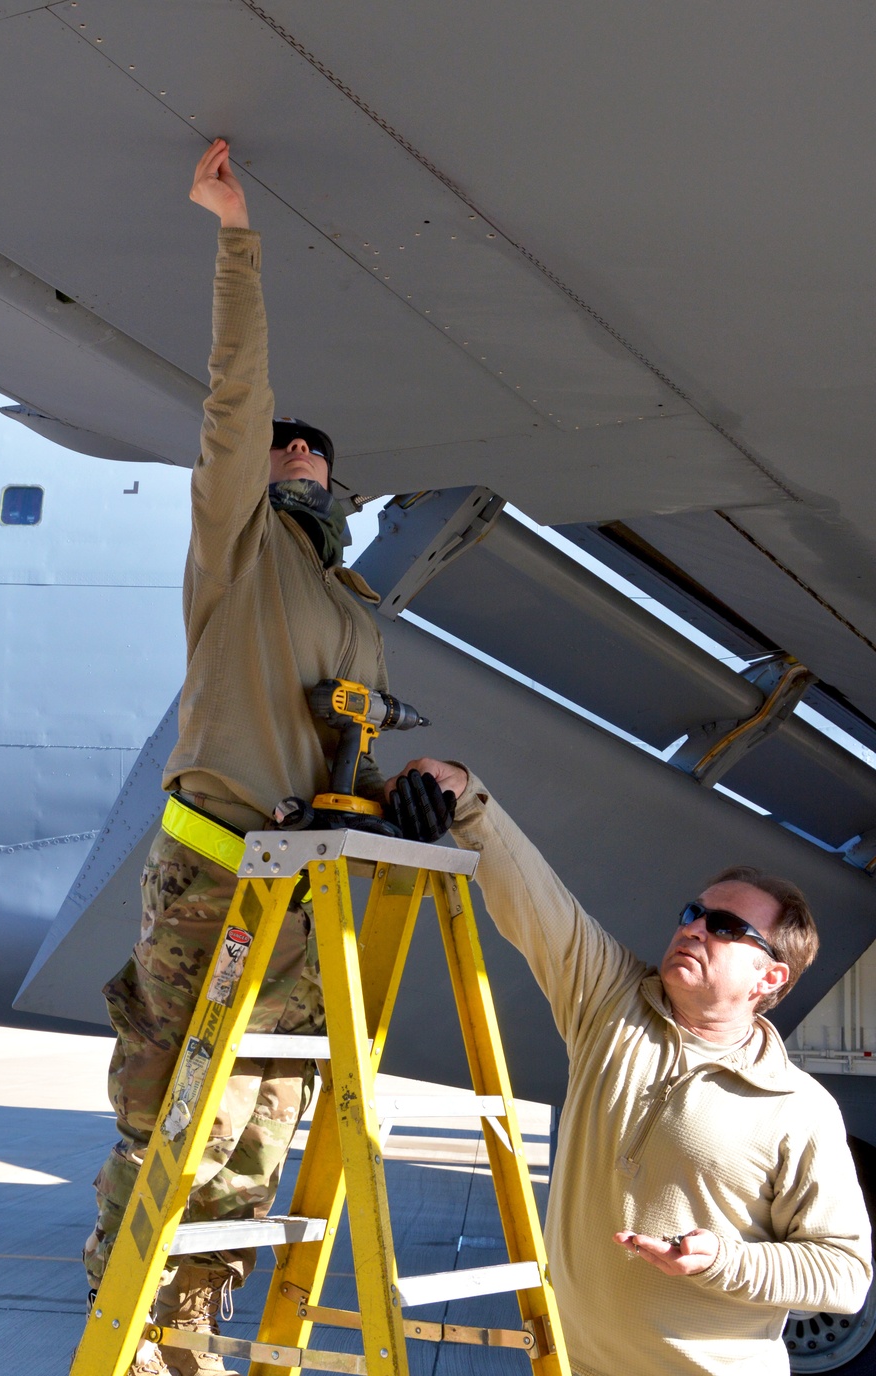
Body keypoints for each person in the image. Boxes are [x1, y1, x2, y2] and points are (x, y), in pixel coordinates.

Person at [83, 140, 393, 1376]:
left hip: (300, 884)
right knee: (165, 1110)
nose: (296, 454)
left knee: (261, 1121)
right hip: (211, 862)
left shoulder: (352, 604)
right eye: (282, 450)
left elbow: (344, 741)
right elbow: (234, 398)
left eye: (313, 452)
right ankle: (124, 1304)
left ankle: (189, 1325)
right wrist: (237, 236)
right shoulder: (239, 554)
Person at [385, 762, 873, 1376]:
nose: (694, 928)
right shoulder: (611, 1004)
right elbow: (539, 905)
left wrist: (721, 1259)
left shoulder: (796, 1108)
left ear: (770, 977)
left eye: (724, 927)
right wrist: (466, 796)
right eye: (693, 912)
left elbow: (844, 1275)